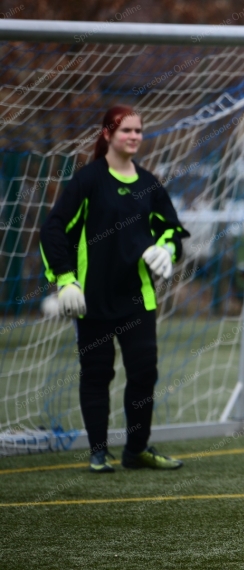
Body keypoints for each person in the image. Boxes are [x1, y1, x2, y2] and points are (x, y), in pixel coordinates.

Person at [40, 105, 188, 473]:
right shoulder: (88, 180)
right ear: (107, 134)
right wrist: (65, 280)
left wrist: (166, 250)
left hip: (138, 299)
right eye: (126, 131)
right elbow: (53, 230)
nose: (134, 137)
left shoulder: (150, 185)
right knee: (96, 374)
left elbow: (173, 231)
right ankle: (98, 452)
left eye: (139, 130)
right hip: (91, 300)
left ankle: (136, 450)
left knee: (143, 373)